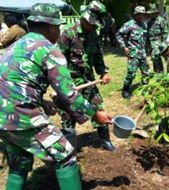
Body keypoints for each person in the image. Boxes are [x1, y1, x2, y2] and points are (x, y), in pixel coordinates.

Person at [0, 3, 112, 190]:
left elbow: (13, 84)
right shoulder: (49, 50)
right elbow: (69, 95)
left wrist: (41, 102)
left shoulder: (16, 46)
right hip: (20, 115)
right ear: (51, 27)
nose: (60, 31)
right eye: (59, 26)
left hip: (3, 115)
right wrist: (95, 114)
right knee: (66, 155)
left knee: (20, 162)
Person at [58, 0, 116, 151]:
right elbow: (57, 62)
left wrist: (103, 72)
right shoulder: (67, 34)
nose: (93, 26)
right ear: (84, 18)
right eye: (91, 23)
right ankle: (69, 147)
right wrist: (63, 85)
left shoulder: (93, 35)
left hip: (88, 80)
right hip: (70, 83)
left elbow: (97, 57)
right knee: (69, 115)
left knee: (98, 108)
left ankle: (105, 140)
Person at [116, 6, 150, 99]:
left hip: (142, 53)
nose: (141, 16)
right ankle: (126, 90)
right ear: (135, 15)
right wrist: (124, 47)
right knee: (131, 73)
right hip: (133, 53)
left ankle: (146, 88)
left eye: (142, 14)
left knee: (146, 72)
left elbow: (145, 37)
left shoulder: (144, 24)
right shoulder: (129, 24)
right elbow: (119, 34)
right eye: (139, 14)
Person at [146, 4, 168, 73]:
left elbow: (165, 32)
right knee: (154, 58)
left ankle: (160, 72)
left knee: (156, 56)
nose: (151, 15)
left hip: (158, 41)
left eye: (152, 13)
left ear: (156, 13)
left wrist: (163, 43)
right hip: (151, 42)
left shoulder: (161, 20)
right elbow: (148, 31)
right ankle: (157, 72)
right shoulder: (149, 21)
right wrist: (147, 42)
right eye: (150, 14)